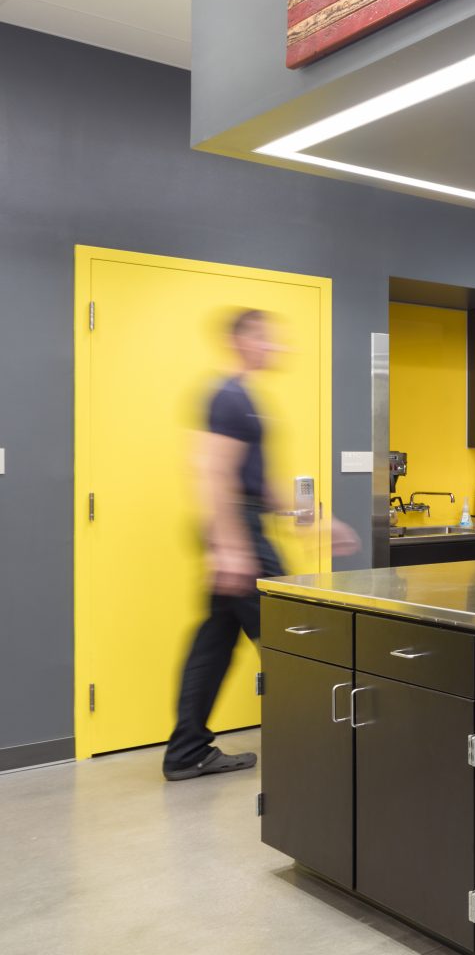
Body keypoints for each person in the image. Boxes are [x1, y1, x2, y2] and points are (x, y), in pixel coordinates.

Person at [164, 308, 358, 780]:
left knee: (214, 643)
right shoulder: (229, 397)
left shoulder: (246, 399)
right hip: (240, 531)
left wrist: (315, 518)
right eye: (267, 339)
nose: (276, 346)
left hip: (242, 523)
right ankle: (323, 740)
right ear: (242, 341)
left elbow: (258, 482)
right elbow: (212, 472)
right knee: (290, 633)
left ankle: (187, 750)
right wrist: (230, 547)